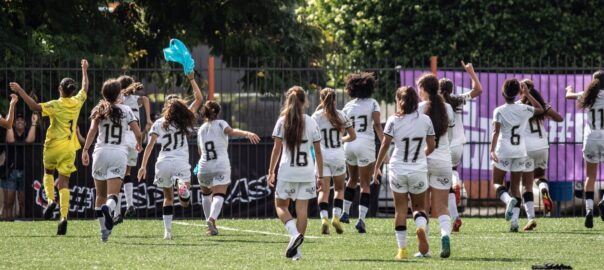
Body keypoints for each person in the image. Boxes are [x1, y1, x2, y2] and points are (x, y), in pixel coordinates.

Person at [9, 59, 89, 235]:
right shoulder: (77, 102)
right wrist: (84, 70)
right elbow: (85, 88)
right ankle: (64, 217)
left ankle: (51, 200)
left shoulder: (55, 104)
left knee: (48, 173)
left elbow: (34, 107)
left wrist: (20, 90)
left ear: (60, 89)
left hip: (52, 146)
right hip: (69, 148)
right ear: (71, 91)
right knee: (65, 183)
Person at [138, 72, 202, 240]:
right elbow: (199, 99)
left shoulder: (159, 123)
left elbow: (150, 146)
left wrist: (143, 166)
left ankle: (167, 232)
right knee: (185, 202)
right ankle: (181, 185)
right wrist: (191, 79)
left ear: (167, 108)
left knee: (168, 199)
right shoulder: (184, 120)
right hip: (180, 162)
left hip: (163, 162)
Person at [374, 86, 435, 260]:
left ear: (399, 101)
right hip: (418, 169)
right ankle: (421, 228)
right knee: (419, 208)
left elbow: (385, 145)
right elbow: (432, 146)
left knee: (400, 210)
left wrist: (376, 167)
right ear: (416, 100)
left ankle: (402, 251)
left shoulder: (394, 120)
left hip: (398, 168)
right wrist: (420, 157)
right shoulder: (425, 120)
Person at [81, 79, 142, 242]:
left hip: (100, 153)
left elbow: (92, 131)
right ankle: (110, 208)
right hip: (118, 154)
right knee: (112, 195)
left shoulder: (98, 108)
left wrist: (85, 149)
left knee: (99, 195)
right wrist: (139, 143)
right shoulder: (126, 110)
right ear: (118, 93)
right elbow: (138, 132)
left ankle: (103, 232)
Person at [268, 86, 323, 260]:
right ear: (304, 101)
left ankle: (293, 235)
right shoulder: (311, 121)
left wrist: (271, 171)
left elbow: (276, 149)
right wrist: (320, 175)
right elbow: (319, 152)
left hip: (287, 171)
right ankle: (297, 252)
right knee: (302, 211)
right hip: (306, 172)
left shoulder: (282, 121)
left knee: (281, 206)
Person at [197, 100, 260, 236]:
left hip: (204, 166)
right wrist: (247, 134)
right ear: (218, 112)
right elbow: (231, 131)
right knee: (219, 195)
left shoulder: (201, 129)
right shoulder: (221, 124)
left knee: (206, 195)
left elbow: (200, 152)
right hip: (220, 165)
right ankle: (212, 219)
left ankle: (210, 226)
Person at [491, 79, 543, 233]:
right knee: (515, 186)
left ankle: (508, 200)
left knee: (496, 182)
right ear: (517, 93)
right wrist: (527, 94)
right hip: (520, 151)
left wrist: (492, 150)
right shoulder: (524, 109)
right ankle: (514, 222)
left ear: (503, 93)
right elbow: (540, 109)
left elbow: (496, 132)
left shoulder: (499, 110)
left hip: (504, 151)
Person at [439, 61, 483, 232]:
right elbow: (478, 90)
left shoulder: (435, 103)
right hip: (459, 145)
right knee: (450, 174)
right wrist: (471, 72)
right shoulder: (456, 99)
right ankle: (456, 216)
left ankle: (454, 183)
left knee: (441, 181)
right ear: (451, 89)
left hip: (443, 146)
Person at [417, 73, 455, 258]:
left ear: (424, 89)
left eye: (419, 88)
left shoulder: (419, 108)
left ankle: (424, 250)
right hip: (444, 161)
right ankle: (445, 235)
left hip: (424, 160)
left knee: (421, 206)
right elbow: (451, 137)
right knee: (442, 207)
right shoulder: (448, 108)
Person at [341, 72, 385, 234]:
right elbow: (377, 126)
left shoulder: (348, 106)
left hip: (349, 144)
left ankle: (345, 213)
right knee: (365, 184)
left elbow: (342, 127)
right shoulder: (373, 103)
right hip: (365, 144)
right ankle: (361, 220)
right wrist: (385, 145)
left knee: (351, 179)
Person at [519, 79, 563, 231]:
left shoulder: (519, 106)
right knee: (540, 176)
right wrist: (546, 109)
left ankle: (531, 218)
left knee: (526, 184)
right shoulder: (542, 106)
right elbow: (560, 118)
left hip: (526, 148)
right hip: (542, 145)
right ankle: (544, 188)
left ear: (521, 90)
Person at [311, 88, 356, 234]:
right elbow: (353, 136)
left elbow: (311, 138)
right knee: (339, 189)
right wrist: (341, 139)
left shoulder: (316, 116)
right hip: (338, 155)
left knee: (323, 191)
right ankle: (336, 217)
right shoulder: (341, 115)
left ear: (321, 99)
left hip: (322, 156)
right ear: (335, 99)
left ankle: (324, 218)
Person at [565, 70, 604, 228]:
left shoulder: (588, 95)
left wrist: (568, 89)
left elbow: (569, 96)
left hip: (591, 138)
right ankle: (603, 202)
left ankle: (589, 210)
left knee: (590, 176)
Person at [112, 75, 152, 224]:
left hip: (122, 138)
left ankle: (117, 213)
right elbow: (146, 99)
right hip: (135, 138)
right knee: (127, 173)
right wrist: (148, 119)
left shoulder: (118, 99)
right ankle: (130, 204)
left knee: (116, 176)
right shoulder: (135, 99)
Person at [2, 113, 38, 220]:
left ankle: (23, 222)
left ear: (25, 123)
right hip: (10, 171)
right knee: (8, 202)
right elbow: (10, 141)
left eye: (22, 120)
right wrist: (9, 123)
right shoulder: (9, 131)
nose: (19, 122)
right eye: (17, 120)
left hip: (25, 171)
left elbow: (30, 141)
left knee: (23, 202)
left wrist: (34, 123)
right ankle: (6, 224)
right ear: (13, 123)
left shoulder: (27, 133)